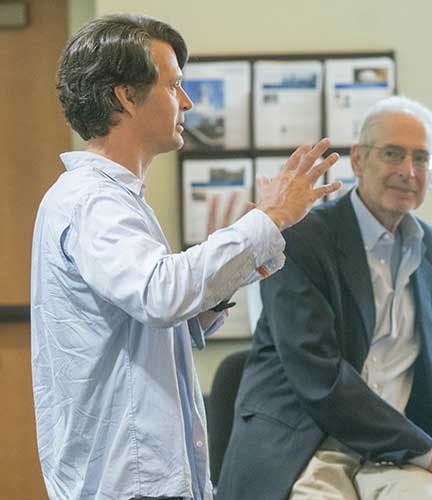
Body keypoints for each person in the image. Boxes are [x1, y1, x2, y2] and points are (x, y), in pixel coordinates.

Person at [30, 14, 341, 500]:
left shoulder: (113, 199)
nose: (188, 102)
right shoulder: (93, 200)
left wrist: (233, 270)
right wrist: (270, 216)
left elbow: (147, 317)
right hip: (124, 484)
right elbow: (161, 295)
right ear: (125, 96)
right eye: (175, 86)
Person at [217, 96, 432, 500]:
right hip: (310, 445)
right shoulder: (302, 239)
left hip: (397, 451)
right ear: (357, 160)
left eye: (421, 158)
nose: (407, 170)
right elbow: (320, 376)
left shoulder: (431, 248)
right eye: (392, 154)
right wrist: (430, 452)